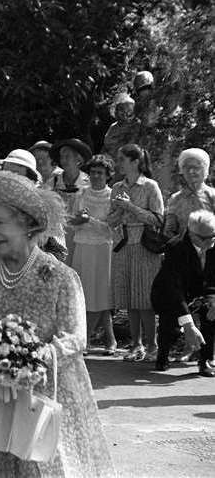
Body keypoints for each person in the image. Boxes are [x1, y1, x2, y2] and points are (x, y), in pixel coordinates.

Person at [0, 171, 115, 477]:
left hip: (46, 397)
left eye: (0, 223)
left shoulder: (59, 277)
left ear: (28, 224)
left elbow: (75, 338)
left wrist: (24, 362)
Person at [109, 144, 164, 362]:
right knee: (130, 299)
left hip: (145, 246)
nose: (118, 163)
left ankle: (153, 345)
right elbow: (109, 220)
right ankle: (136, 345)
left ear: (135, 162)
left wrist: (130, 207)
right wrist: (120, 209)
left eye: (122, 159)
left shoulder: (150, 186)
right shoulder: (116, 187)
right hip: (123, 245)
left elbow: (158, 219)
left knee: (145, 299)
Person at [151, 209, 215, 376]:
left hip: (202, 291)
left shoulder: (213, 241)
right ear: (192, 235)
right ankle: (163, 355)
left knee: (211, 317)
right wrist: (188, 324)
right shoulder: (176, 247)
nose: (212, 241)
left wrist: (213, 300)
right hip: (171, 293)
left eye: (214, 235)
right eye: (207, 238)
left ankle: (205, 360)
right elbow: (173, 288)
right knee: (169, 325)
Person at [69, 155, 116, 355]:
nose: (96, 176)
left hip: (104, 249)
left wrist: (89, 221)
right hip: (83, 247)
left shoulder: (114, 196)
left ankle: (87, 339)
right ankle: (110, 339)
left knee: (101, 294)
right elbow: (70, 221)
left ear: (108, 176)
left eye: (100, 173)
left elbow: (111, 230)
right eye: (93, 172)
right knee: (87, 294)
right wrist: (78, 221)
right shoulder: (80, 194)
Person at [50, 139, 92, 264]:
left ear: (78, 159)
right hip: (58, 232)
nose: (63, 160)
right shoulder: (54, 181)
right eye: (62, 157)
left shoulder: (88, 181)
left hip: (80, 233)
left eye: (67, 156)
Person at [163, 148, 215, 239]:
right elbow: (169, 231)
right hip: (185, 250)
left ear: (205, 170)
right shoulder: (175, 198)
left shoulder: (212, 195)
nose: (191, 171)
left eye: (196, 167)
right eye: (186, 167)